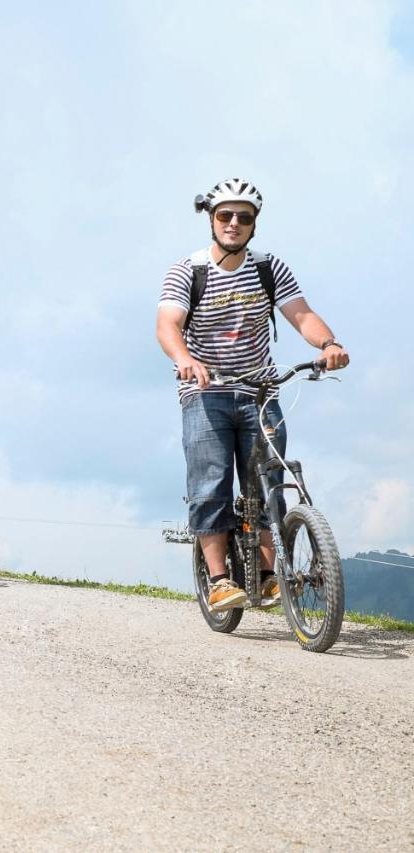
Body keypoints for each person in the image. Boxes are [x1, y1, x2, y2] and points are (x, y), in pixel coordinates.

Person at [156, 178, 349, 611]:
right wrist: (186, 358)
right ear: (211, 218)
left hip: (260, 390)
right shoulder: (188, 271)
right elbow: (167, 325)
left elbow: (301, 315)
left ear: (254, 224)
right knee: (210, 483)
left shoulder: (269, 267)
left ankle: (266, 576)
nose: (234, 223)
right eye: (225, 215)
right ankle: (221, 580)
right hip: (205, 391)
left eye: (244, 217)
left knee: (268, 482)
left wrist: (328, 344)